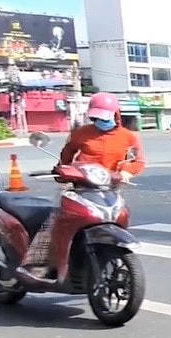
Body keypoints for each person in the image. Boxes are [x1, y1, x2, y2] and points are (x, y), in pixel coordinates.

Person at [19, 92, 145, 277]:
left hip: (109, 188)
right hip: (79, 186)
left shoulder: (129, 137)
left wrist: (127, 171)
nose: (98, 119)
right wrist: (62, 171)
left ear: (115, 113)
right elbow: (66, 156)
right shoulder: (80, 134)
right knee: (55, 221)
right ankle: (39, 263)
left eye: (103, 115)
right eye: (95, 116)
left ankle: (110, 252)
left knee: (118, 219)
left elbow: (138, 161)